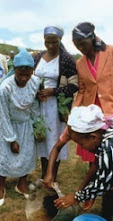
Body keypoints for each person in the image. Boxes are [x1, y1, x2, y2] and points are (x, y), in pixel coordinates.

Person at [72, 21, 113, 219]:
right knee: (95, 159)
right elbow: (83, 90)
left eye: (83, 43)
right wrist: (75, 111)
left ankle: (107, 207)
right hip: (93, 118)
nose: (80, 48)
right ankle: (92, 193)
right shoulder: (80, 63)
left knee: (111, 160)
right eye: (76, 45)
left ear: (92, 38)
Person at [53, 105, 113, 221]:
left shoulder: (111, 146)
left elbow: (103, 183)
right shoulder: (106, 132)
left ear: (93, 137)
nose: (81, 148)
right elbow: (100, 169)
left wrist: (76, 197)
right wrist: (89, 194)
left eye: (82, 144)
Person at [0, 49, 41, 207]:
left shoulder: (35, 82)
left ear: (32, 72)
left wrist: (37, 126)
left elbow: (34, 104)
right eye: (20, 74)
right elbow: (4, 116)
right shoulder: (5, 89)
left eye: (27, 75)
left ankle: (21, 185)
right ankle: (1, 187)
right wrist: (11, 139)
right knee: (6, 157)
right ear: (14, 70)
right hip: (9, 125)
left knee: (27, 155)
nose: (24, 78)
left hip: (26, 124)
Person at [34, 25, 78, 180]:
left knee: (55, 139)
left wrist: (53, 91)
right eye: (48, 42)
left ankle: (52, 174)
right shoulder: (38, 57)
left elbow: (74, 85)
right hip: (40, 106)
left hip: (56, 109)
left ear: (60, 40)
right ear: (44, 40)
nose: (51, 45)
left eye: (55, 42)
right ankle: (44, 172)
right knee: (42, 138)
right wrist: (37, 92)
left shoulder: (66, 59)